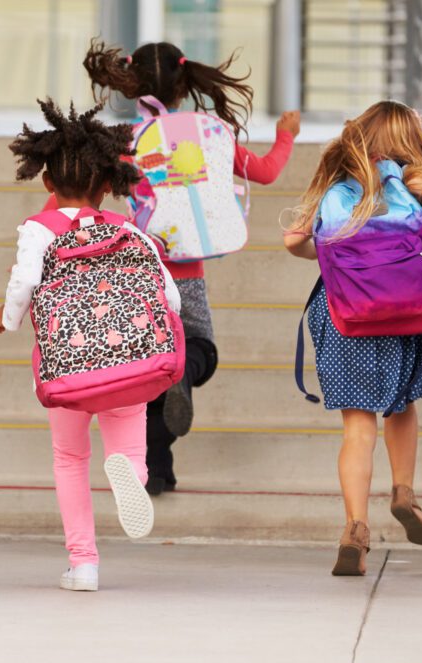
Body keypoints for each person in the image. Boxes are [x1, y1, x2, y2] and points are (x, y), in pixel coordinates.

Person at [83, 39, 301, 495]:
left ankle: (156, 471)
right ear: (185, 84)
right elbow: (264, 172)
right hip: (188, 274)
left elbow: (87, 191)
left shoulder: (125, 142)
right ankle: (188, 369)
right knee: (198, 348)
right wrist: (286, 136)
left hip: (139, 271)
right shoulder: (209, 131)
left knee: (146, 370)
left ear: (131, 82)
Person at [0, 99, 181, 592]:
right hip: (130, 365)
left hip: (69, 367)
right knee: (128, 444)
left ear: (47, 183)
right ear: (107, 185)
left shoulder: (40, 228)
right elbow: (172, 298)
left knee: (70, 458)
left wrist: (7, 319)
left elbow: (25, 280)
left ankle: (84, 564)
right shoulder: (129, 229)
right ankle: (133, 477)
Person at [283, 101, 422, 576]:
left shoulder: (335, 182)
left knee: (357, 428)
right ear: (409, 140)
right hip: (409, 310)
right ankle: (404, 493)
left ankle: (355, 528)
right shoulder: (415, 181)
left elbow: (294, 241)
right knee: (402, 405)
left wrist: (330, 255)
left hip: (347, 314)